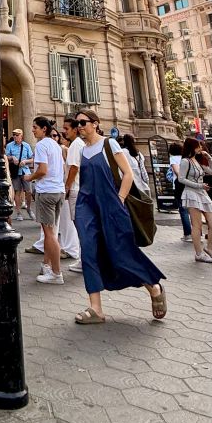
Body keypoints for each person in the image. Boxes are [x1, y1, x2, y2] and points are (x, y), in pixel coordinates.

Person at [73, 108, 166, 324]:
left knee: (121, 253)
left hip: (111, 205)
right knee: (88, 252)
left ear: (95, 123)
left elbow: (128, 174)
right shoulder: (81, 150)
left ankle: (154, 287)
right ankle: (96, 308)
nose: (79, 127)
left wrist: (120, 199)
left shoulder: (109, 144)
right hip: (87, 206)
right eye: (77, 123)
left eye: (83, 122)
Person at [24, 116, 66, 284]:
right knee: (52, 233)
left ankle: (56, 273)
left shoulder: (41, 145)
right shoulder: (56, 145)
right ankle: (46, 265)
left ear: (44, 129)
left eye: (35, 127)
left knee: (49, 235)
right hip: (58, 191)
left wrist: (29, 177)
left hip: (46, 192)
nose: (33, 130)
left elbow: (42, 170)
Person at [178, 137, 212, 263]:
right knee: (196, 225)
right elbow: (181, 178)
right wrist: (199, 185)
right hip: (191, 194)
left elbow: (211, 171)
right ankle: (198, 253)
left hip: (202, 193)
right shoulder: (186, 161)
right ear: (192, 147)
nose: (200, 148)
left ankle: (209, 248)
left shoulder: (196, 160)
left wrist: (209, 157)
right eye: (198, 146)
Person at [63, 114, 84, 273]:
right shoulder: (79, 144)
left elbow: (74, 168)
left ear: (75, 130)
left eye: (66, 129)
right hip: (79, 188)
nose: (65, 132)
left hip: (76, 189)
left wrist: (67, 187)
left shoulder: (76, 145)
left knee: (79, 225)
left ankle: (84, 260)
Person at [5, 128, 33, 220]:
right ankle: (18, 213)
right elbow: (6, 157)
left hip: (25, 171)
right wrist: (12, 158)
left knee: (28, 191)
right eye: (14, 135)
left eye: (17, 135)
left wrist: (25, 161)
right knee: (17, 191)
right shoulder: (9, 145)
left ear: (21, 136)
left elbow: (32, 158)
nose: (15, 136)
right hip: (15, 171)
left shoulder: (26, 146)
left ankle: (29, 209)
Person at [169, 140, 191, 241]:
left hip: (180, 186)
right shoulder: (186, 158)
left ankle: (188, 234)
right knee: (192, 209)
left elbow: (177, 172)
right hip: (189, 185)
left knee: (183, 210)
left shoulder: (173, 158)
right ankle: (196, 233)